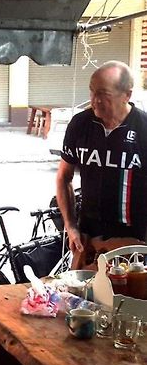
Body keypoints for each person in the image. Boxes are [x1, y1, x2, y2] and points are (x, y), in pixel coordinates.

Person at [56, 60, 147, 270]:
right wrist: (70, 227)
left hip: (134, 238)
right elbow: (63, 177)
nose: (94, 100)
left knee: (128, 299)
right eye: (92, 92)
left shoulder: (143, 128)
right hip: (89, 237)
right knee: (81, 298)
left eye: (103, 94)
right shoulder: (80, 124)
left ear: (127, 95)